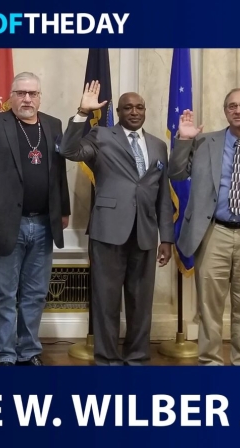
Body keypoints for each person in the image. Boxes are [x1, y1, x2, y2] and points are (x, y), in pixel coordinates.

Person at [59, 82, 174, 366]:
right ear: (118, 112)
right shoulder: (101, 135)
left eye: (139, 107)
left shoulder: (159, 145)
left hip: (145, 234)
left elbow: (161, 195)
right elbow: (68, 150)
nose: (134, 112)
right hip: (109, 231)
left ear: (145, 111)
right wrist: (82, 113)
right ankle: (107, 359)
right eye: (128, 108)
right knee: (106, 301)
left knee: (141, 302)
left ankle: (136, 357)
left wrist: (167, 238)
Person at [169, 88, 240, 366]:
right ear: (225, 111)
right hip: (213, 233)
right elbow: (175, 173)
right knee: (209, 306)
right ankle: (210, 363)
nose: (238, 110)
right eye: (232, 105)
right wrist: (183, 140)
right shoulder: (204, 142)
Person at [0, 73, 70, 366]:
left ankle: (29, 351)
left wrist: (64, 209)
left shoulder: (52, 125)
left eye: (32, 94)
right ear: (10, 96)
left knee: (35, 294)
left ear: (40, 97)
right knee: (4, 295)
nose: (27, 99)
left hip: (44, 224)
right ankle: (6, 355)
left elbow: (58, 171)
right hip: (5, 224)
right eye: (21, 93)